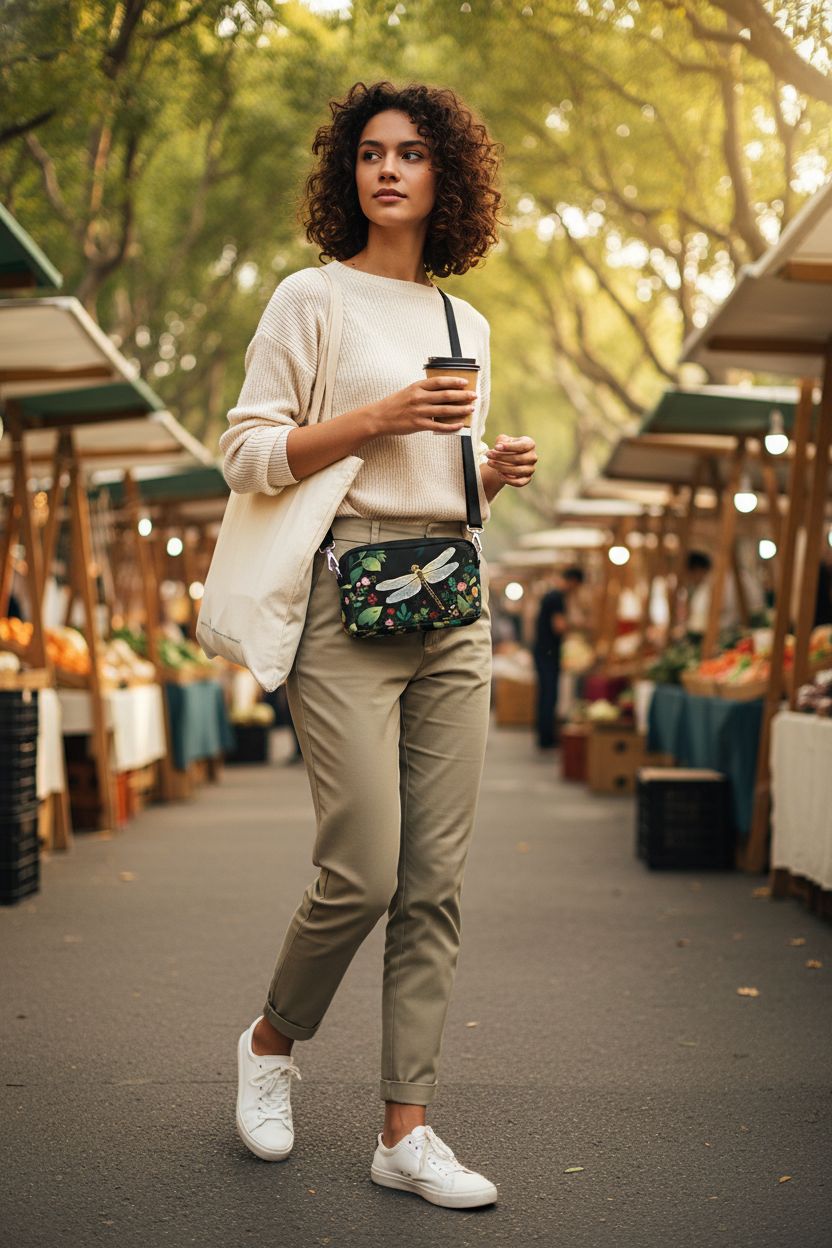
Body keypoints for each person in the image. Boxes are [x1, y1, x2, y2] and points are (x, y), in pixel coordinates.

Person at [218, 81, 537, 1208]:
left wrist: (488, 475)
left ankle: (406, 1131)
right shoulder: (310, 299)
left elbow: (443, 486)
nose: (387, 169)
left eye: (410, 153)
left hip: (449, 600)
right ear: (345, 174)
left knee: (434, 883)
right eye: (369, 153)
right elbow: (246, 454)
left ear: (448, 176)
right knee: (362, 870)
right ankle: (271, 1042)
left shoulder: (464, 325)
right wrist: (375, 417)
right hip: (344, 598)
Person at [532, 566, 584, 749]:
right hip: (548, 653)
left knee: (546, 693)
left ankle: (544, 735)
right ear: (574, 582)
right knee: (549, 694)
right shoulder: (556, 598)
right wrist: (579, 625)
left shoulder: (552, 596)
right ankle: (546, 737)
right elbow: (559, 626)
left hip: (544, 651)